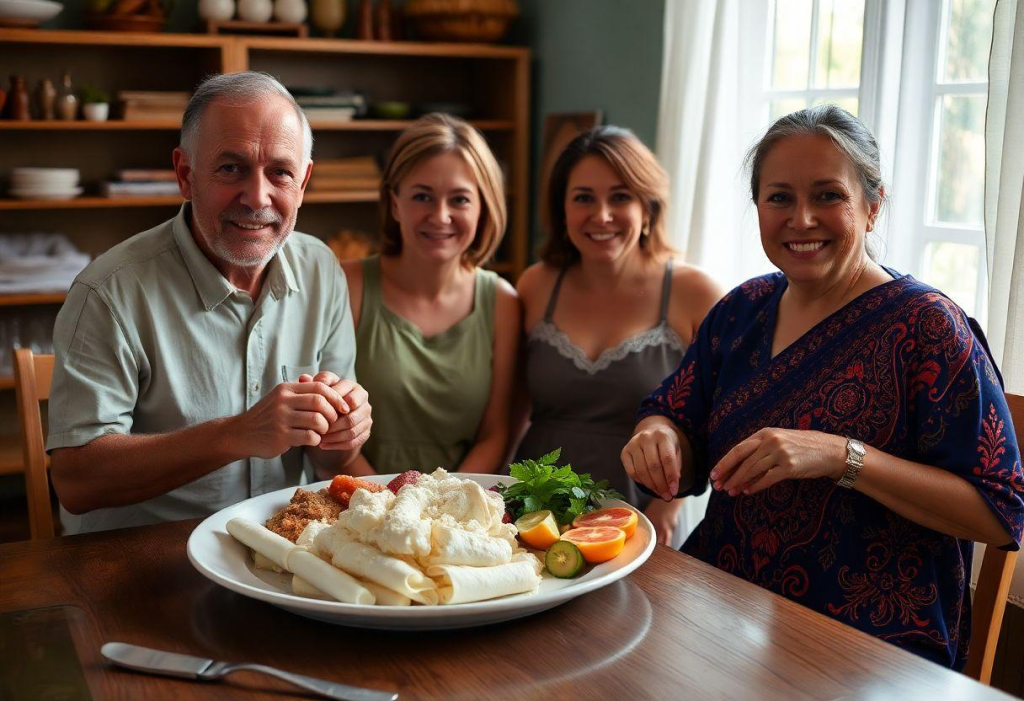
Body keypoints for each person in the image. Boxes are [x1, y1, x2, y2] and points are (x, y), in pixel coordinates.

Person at [622, 105, 1024, 668]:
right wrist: (656, 433)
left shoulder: (928, 328)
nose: (802, 218)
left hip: (867, 646)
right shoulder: (742, 311)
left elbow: (1000, 511)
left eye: (829, 196)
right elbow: (676, 420)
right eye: (779, 197)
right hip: (723, 609)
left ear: (872, 206)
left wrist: (843, 457)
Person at [47, 72, 372, 535]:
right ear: (185, 174)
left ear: (303, 183)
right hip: (140, 565)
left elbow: (327, 459)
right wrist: (237, 433)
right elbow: (76, 483)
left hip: (282, 553)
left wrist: (343, 429)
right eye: (231, 168)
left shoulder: (322, 268)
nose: (257, 197)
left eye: (280, 172)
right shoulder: (108, 291)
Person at [513, 126, 722, 545]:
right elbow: (512, 410)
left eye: (621, 197)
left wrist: (668, 508)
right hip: (534, 507)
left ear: (649, 207)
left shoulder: (695, 292)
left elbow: (720, 420)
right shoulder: (536, 285)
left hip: (643, 512)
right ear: (562, 209)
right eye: (583, 198)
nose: (602, 215)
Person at [339, 114, 519, 475]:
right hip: (356, 505)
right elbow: (332, 433)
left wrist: (438, 506)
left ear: (483, 206)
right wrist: (386, 505)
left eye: (460, 200)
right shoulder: (348, 285)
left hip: (463, 513)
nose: (440, 216)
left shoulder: (502, 302)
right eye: (422, 196)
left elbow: (495, 434)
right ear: (394, 204)